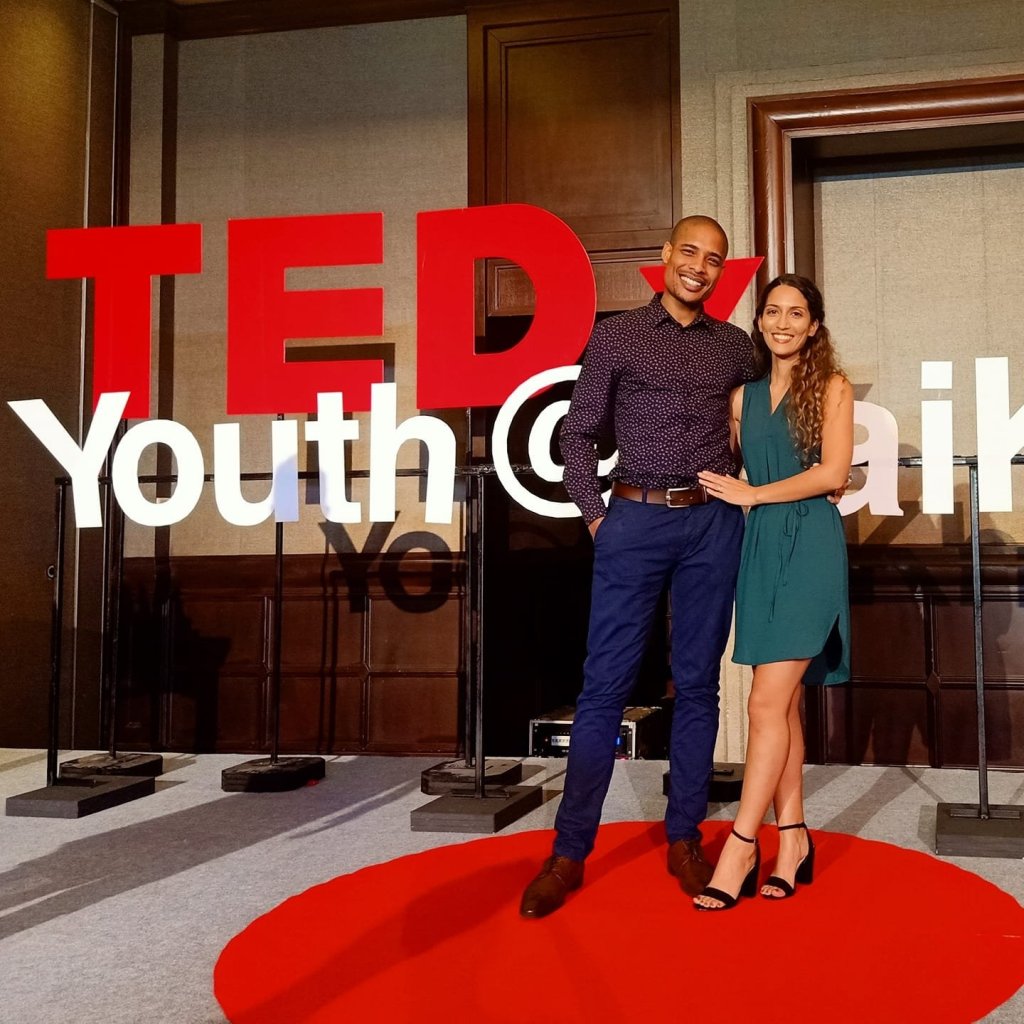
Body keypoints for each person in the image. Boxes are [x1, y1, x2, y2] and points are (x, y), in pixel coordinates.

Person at [519, 215, 755, 918]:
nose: (700, 267)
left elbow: (761, 425)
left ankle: (685, 840)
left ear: (720, 272)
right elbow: (578, 432)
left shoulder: (735, 347)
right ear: (666, 256)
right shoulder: (618, 335)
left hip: (711, 524)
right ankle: (568, 853)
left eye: (713, 259)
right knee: (604, 690)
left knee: (699, 685)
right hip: (634, 519)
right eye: (690, 252)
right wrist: (596, 516)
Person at [693, 273, 853, 910]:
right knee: (780, 709)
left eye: (796, 313)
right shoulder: (742, 398)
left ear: (813, 326)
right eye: (772, 312)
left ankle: (740, 843)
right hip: (759, 549)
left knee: (763, 703)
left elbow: (833, 472)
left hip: (810, 546)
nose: (783, 323)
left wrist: (757, 493)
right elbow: (724, 469)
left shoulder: (833, 387)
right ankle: (793, 840)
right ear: (759, 322)